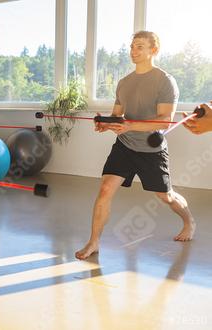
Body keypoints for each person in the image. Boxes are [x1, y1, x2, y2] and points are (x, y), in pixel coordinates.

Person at [75, 31, 195, 260]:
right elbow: (118, 116)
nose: (133, 50)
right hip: (124, 146)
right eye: (132, 46)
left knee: (166, 196)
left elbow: (165, 120)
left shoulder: (164, 81)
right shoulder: (124, 83)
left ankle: (189, 221)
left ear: (154, 50)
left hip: (152, 150)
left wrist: (130, 126)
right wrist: (106, 124)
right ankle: (94, 242)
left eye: (139, 46)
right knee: (105, 189)